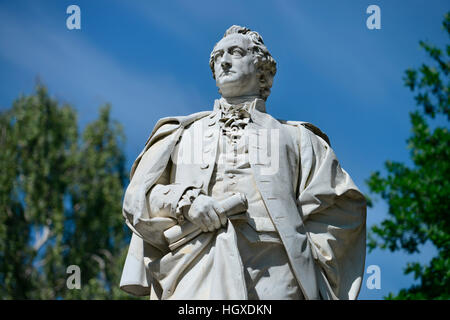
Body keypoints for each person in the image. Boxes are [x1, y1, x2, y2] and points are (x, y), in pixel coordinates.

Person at [119, 25, 366, 300]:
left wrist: (307, 254)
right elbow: (140, 198)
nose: (224, 61)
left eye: (235, 52)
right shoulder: (179, 133)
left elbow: (341, 206)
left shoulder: (300, 139)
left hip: (276, 271)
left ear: (261, 67)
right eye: (217, 57)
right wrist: (185, 201)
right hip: (194, 265)